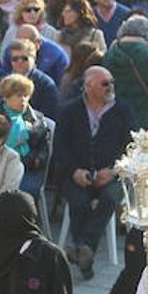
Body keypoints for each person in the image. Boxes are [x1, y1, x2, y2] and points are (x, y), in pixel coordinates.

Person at [51, 65, 134, 280]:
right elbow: (60, 147)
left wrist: (114, 170)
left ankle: (83, 247)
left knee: (109, 198)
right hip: (77, 174)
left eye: (112, 82)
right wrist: (74, 171)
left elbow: (131, 147)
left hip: (112, 174)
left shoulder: (123, 109)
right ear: (88, 87)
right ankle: (85, 254)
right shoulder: (70, 110)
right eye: (105, 83)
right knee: (78, 201)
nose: (110, 87)